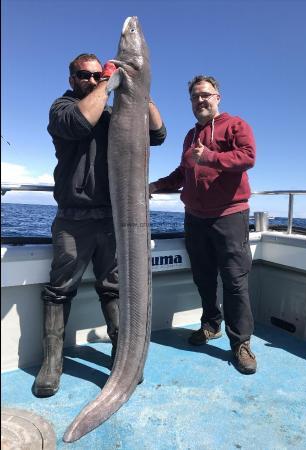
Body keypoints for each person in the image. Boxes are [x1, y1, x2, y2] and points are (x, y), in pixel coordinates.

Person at [33, 53, 166, 397]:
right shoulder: (62, 109)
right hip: (73, 219)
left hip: (112, 219)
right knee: (60, 290)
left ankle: (123, 360)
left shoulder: (112, 115)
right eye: (85, 75)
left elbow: (157, 133)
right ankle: (52, 364)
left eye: (97, 76)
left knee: (114, 288)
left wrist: (141, 89)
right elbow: (79, 123)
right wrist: (108, 81)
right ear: (72, 78)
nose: (92, 80)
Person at [150, 75, 257, 374]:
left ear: (218, 96)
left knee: (235, 282)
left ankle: (241, 343)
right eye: (195, 97)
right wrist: (156, 186)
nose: (201, 100)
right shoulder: (189, 136)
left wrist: (210, 156)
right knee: (204, 277)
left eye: (206, 95)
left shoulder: (236, 125)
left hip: (229, 216)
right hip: (195, 219)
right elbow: (183, 172)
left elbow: (248, 157)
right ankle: (211, 325)